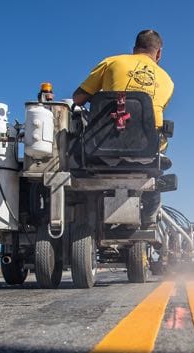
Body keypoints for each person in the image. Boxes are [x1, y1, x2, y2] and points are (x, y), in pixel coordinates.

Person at [72, 29, 174, 228]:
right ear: (159, 53)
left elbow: (77, 99)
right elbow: (150, 118)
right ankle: (149, 213)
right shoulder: (168, 81)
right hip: (146, 152)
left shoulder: (112, 62)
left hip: (102, 149)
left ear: (134, 49)